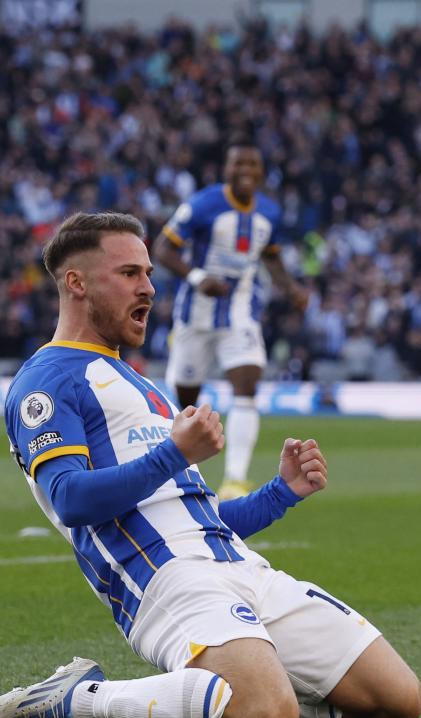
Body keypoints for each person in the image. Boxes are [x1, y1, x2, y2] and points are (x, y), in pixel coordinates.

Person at [0, 213, 421, 718]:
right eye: (130, 274)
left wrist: (280, 493)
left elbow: (195, 517)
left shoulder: (139, 384)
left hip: (241, 567)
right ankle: (78, 698)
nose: (150, 289)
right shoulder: (47, 382)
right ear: (77, 282)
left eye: (149, 273)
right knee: (267, 714)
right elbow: (70, 499)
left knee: (398, 699)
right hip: (166, 582)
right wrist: (174, 454)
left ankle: (247, 678)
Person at [153, 138, 308, 500]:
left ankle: (235, 480)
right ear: (226, 169)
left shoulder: (268, 212)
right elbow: (163, 248)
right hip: (195, 314)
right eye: (238, 165)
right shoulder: (203, 205)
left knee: (247, 385)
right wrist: (197, 277)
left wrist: (290, 288)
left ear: (261, 173)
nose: (245, 172)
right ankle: (182, 473)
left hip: (240, 313)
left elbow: (270, 256)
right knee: (186, 398)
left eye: (252, 165)